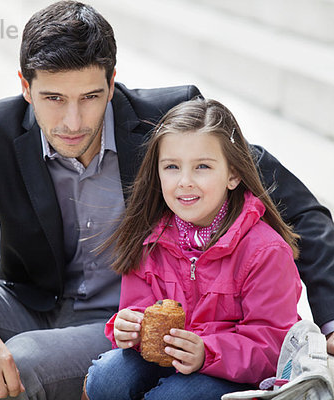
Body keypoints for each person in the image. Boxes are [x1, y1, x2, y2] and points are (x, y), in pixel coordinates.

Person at [0, 1, 334, 400]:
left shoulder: (170, 120)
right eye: (52, 99)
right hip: (32, 301)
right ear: (25, 85)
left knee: (26, 361)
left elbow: (297, 209)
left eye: (89, 97)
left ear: (112, 83)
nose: (72, 121)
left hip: (130, 318)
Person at [84, 98, 303, 400]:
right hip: (171, 361)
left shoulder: (264, 251)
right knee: (107, 378)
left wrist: (208, 353)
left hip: (234, 374)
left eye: (202, 167)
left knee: (173, 398)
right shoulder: (150, 239)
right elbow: (136, 307)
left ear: (233, 175)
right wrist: (128, 327)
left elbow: (273, 344)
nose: (185, 182)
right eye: (172, 167)